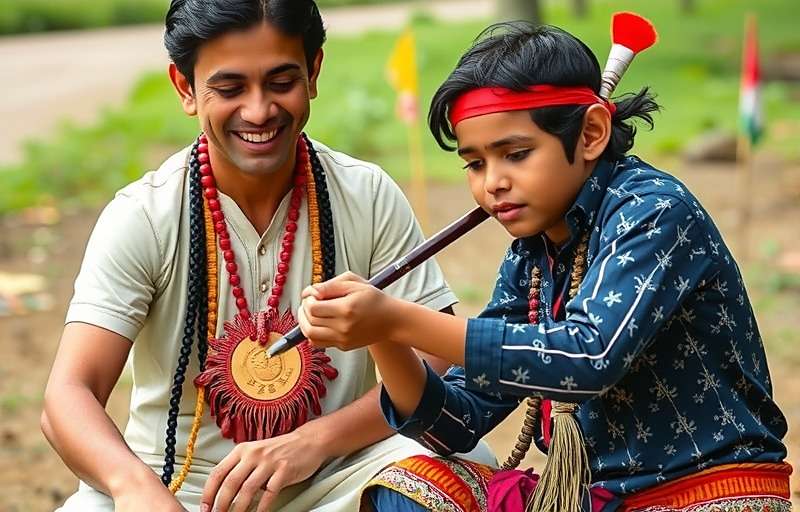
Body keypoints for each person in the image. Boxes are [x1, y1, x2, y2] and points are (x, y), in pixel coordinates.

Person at [298, 21, 792, 511]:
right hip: (585, 500)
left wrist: (398, 317)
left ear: (591, 134)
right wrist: (382, 334)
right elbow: (455, 424)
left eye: (516, 154)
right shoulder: (532, 255)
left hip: (708, 492)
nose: (493, 182)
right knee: (406, 484)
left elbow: (589, 355)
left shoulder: (655, 211)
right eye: (475, 164)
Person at [40, 1, 495, 511]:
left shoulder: (365, 195)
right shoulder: (144, 216)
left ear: (313, 72)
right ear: (185, 87)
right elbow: (69, 394)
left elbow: (434, 360)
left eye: (281, 82)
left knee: (454, 474)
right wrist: (134, 488)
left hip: (341, 477)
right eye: (230, 89)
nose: (259, 111)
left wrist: (317, 441)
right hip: (176, 489)